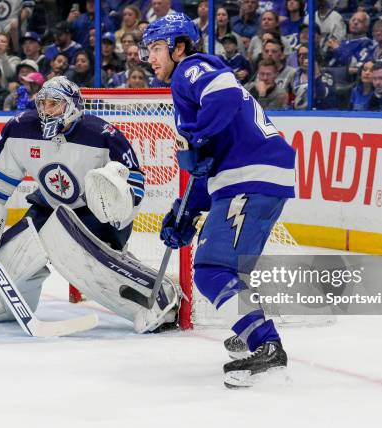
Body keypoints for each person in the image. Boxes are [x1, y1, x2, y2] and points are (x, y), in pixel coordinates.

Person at [0, 76, 180, 336]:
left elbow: (133, 182)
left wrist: (117, 206)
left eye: (55, 104)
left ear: (73, 107)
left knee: (79, 256)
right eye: (43, 104)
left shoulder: (103, 135)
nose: (46, 111)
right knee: (14, 252)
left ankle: (158, 296)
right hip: (49, 206)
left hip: (96, 215)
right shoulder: (21, 129)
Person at [142, 13, 294, 388]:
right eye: (148, 50)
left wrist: (196, 138)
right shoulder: (188, 85)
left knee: (211, 270)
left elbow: (224, 94)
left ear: (179, 48)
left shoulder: (191, 68)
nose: (151, 58)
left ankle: (267, 346)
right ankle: (251, 332)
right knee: (229, 270)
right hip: (251, 177)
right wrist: (186, 210)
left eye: (158, 48)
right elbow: (204, 163)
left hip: (251, 175)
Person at [326, 11, 373, 76]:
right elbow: (330, 62)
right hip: (331, 74)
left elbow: (355, 64)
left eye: (360, 21)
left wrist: (338, 49)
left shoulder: (367, 43)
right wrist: (330, 51)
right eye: (353, 20)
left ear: (366, 27)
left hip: (347, 80)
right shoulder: (343, 42)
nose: (355, 22)